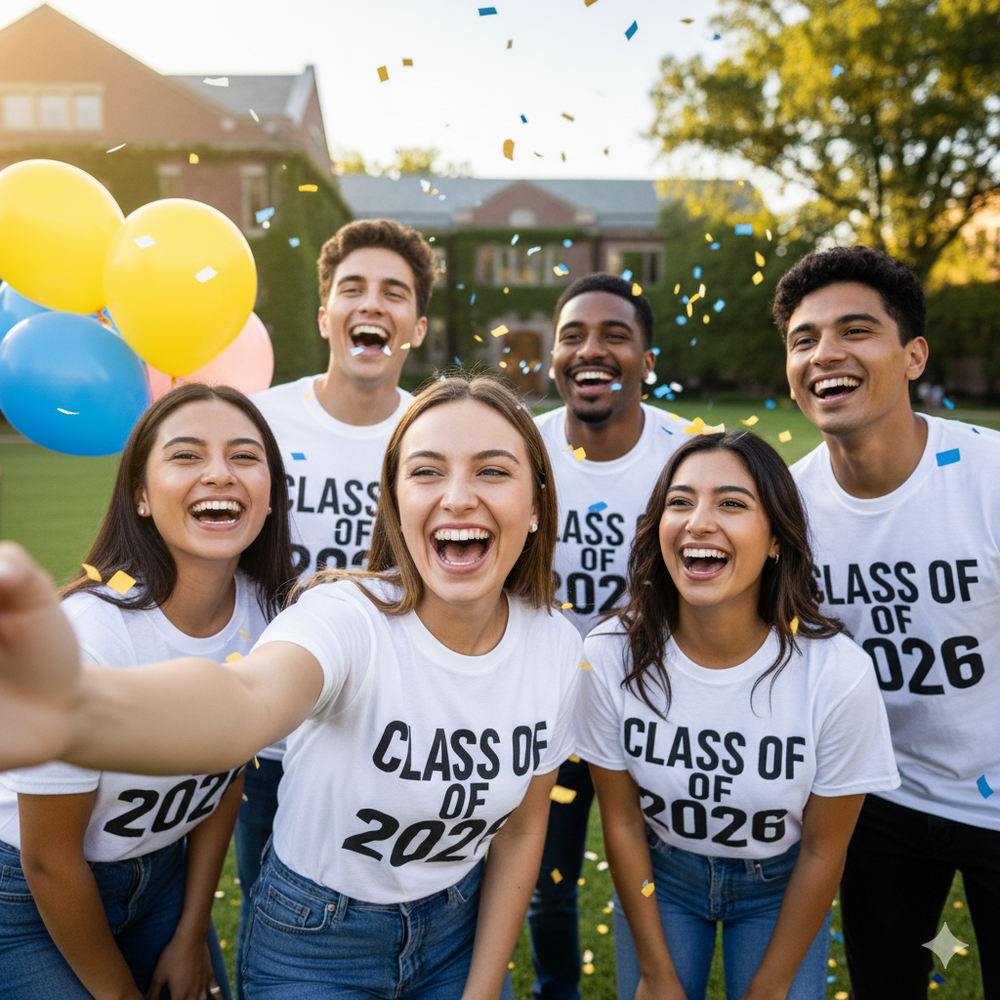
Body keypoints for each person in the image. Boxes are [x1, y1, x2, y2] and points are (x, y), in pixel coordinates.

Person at [0, 374, 583, 1000]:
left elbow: (523, 828)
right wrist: (81, 709)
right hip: (315, 941)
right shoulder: (346, 616)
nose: (459, 497)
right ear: (394, 501)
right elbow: (246, 702)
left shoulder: (555, 646)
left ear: (536, 503)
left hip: (453, 928)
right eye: (427, 472)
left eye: (493, 471)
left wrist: (483, 986)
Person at [576, 430, 899, 1000]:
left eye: (731, 503)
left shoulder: (836, 674)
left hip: (780, 886)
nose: (699, 522)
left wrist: (770, 988)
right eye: (680, 502)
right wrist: (655, 974)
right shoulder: (608, 654)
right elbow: (622, 822)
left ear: (776, 538)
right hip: (664, 880)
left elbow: (825, 849)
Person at [0, 383, 294, 1000]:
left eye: (244, 457)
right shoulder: (92, 633)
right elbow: (49, 860)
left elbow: (228, 775)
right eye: (186, 456)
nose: (219, 473)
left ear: (270, 496)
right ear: (140, 493)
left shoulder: (270, 616)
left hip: (159, 877)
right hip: (28, 894)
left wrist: (191, 933)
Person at [774, 245, 1000, 999]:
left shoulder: (989, 477)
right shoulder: (788, 509)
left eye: (855, 331)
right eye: (803, 339)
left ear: (913, 356)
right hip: (880, 800)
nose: (825, 354)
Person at [237, 218, 434, 995]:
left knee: (401, 926)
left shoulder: (431, 431)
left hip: (389, 732)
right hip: (269, 732)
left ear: (415, 326)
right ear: (325, 316)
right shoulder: (264, 423)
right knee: (274, 929)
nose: (371, 304)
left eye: (394, 293)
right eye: (353, 288)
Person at [529, 273, 690, 1000]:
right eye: (573, 335)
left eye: (615, 335)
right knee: (545, 884)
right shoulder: (520, 448)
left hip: (660, 711)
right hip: (545, 711)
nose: (591, 350)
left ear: (647, 360)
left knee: (665, 886)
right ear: (554, 356)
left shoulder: (689, 456)